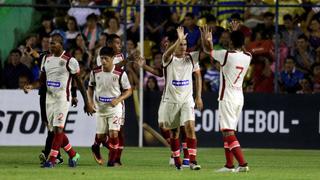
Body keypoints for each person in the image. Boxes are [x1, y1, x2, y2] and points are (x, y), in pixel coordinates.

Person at [23, 33, 93, 168]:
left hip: (62, 99)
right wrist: (31, 86)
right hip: (49, 99)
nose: (50, 45)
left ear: (61, 44)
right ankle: (73, 155)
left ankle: (52, 160)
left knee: (58, 129)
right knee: (55, 131)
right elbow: (42, 81)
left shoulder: (70, 60)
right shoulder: (46, 59)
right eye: (50, 43)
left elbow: (78, 82)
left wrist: (87, 102)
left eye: (53, 43)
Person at [201, 21, 251, 172]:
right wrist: (235, 32)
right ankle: (229, 165)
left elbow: (207, 50)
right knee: (229, 131)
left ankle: (242, 164)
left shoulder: (226, 55)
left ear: (230, 42)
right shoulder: (248, 56)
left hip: (227, 97)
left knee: (228, 132)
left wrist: (207, 39)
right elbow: (240, 45)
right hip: (239, 98)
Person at [160, 26, 203, 170]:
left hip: (187, 100)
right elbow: (165, 55)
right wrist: (177, 40)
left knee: (190, 127)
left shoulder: (191, 58)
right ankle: (177, 160)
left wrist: (198, 96)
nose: (184, 47)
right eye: (180, 44)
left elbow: (198, 75)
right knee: (174, 132)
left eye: (185, 44)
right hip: (171, 101)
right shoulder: (168, 59)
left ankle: (193, 161)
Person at [87, 46, 132, 166]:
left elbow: (128, 90)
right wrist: (90, 102)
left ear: (113, 58)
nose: (103, 61)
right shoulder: (95, 72)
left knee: (114, 133)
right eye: (101, 58)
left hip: (115, 108)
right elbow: (90, 87)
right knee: (101, 136)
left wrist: (118, 100)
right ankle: (96, 147)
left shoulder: (120, 73)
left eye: (106, 59)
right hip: (101, 109)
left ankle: (111, 161)